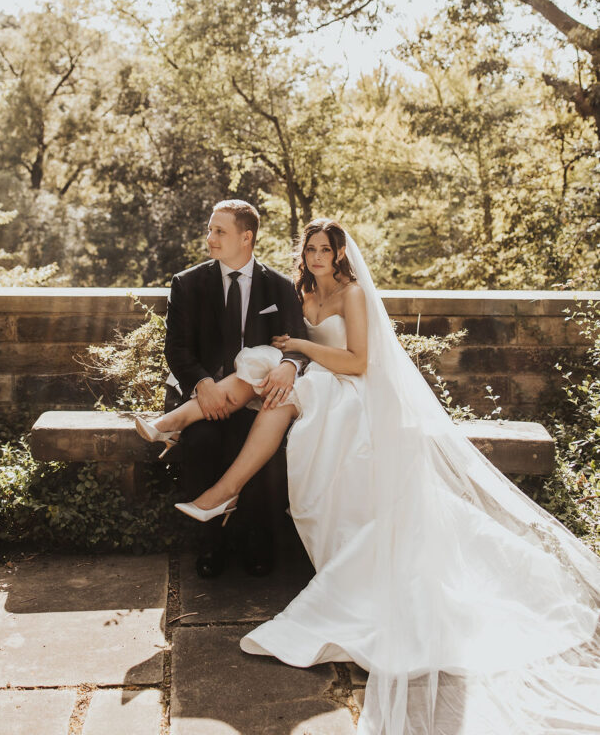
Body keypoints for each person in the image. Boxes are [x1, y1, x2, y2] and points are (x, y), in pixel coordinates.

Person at [172, 218, 600, 735]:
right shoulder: (301, 290)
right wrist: (283, 362)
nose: (316, 256)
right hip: (318, 384)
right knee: (275, 391)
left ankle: (225, 490)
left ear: (341, 253)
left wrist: (301, 352)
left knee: (287, 405)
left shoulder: (352, 294)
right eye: (310, 249)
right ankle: (205, 466)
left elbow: (359, 361)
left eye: (325, 249)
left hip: (352, 389)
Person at [136, 199, 308, 580]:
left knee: (267, 447)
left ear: (246, 238)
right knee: (203, 443)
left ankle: (256, 545)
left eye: (219, 231)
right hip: (203, 395)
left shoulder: (279, 286)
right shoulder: (188, 283)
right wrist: (203, 384)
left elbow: (297, 343)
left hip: (257, 398)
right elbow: (177, 349)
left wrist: (287, 366)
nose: (209, 238)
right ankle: (210, 545)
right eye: (210, 229)